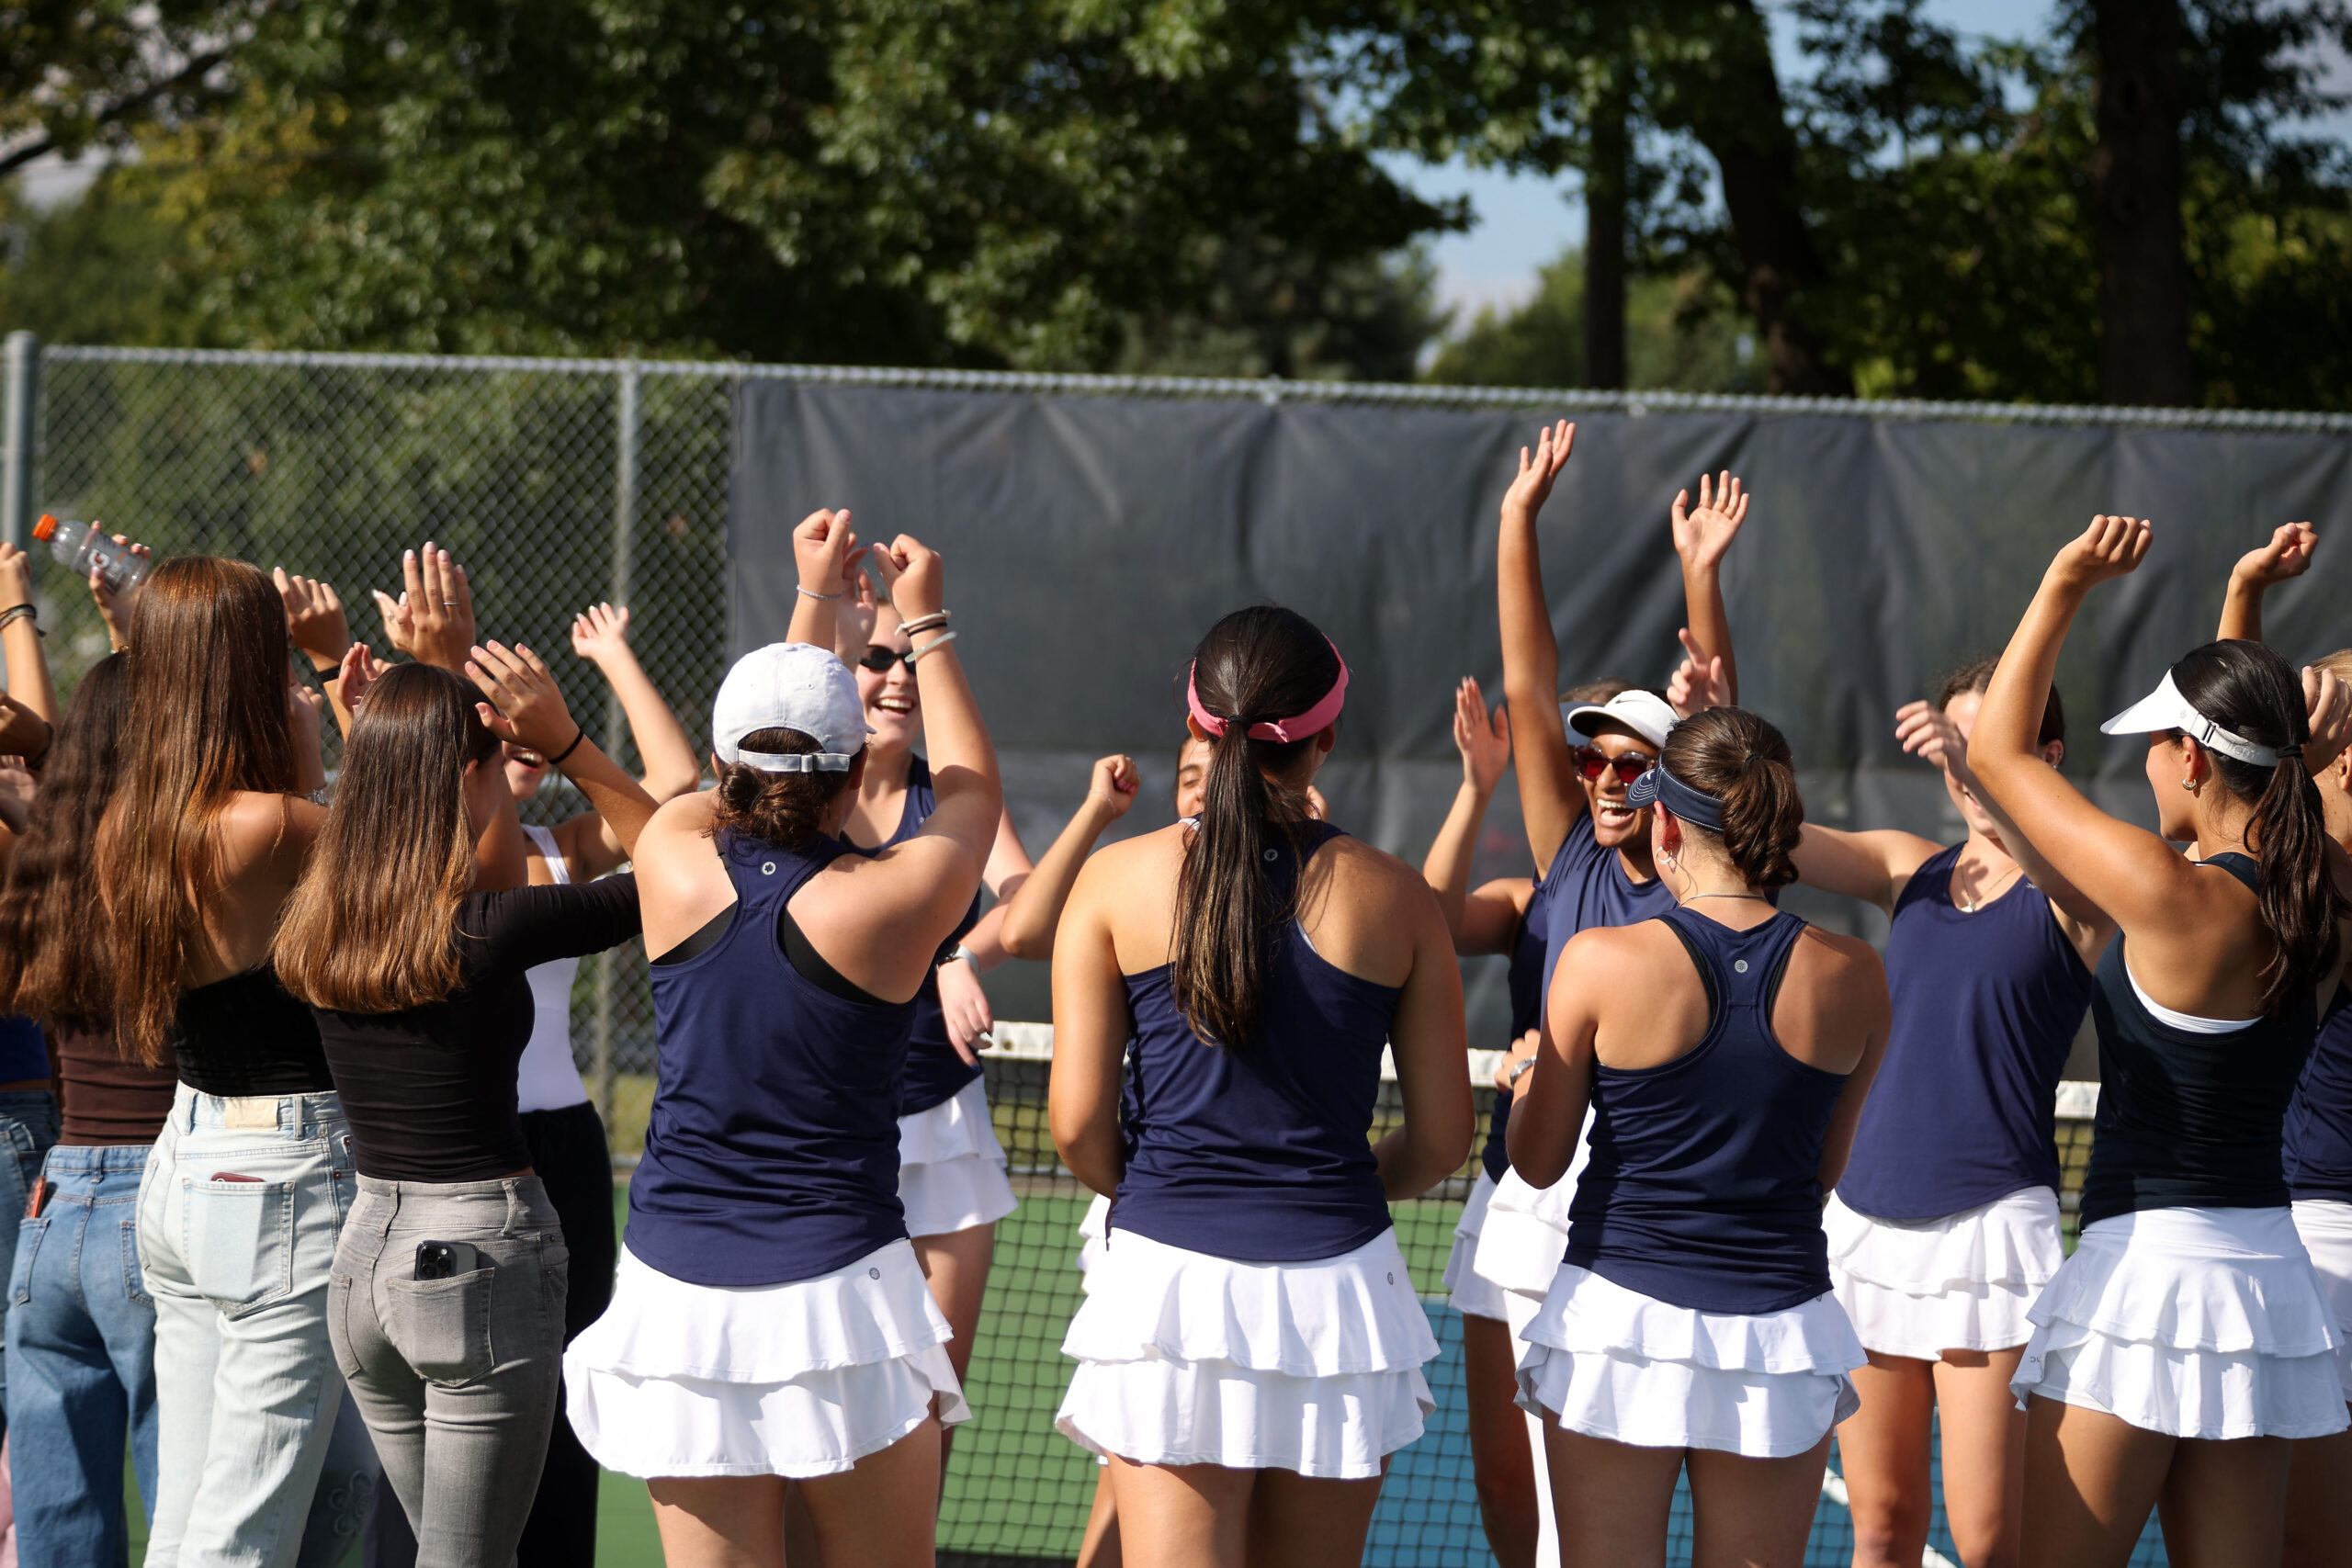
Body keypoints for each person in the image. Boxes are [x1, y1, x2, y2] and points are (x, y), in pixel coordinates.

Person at [564, 513, 1000, 1568]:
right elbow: (973, 795)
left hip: (676, 1294)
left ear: (723, 765)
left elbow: (745, 766)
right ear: (854, 781)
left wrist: (813, 600)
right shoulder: (891, 902)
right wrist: (927, 623)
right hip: (841, 1294)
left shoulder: (672, 853)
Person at [1048, 604, 1473, 1568]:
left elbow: (1075, 1126)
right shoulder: (1396, 896)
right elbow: (1445, 1140)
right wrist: (1335, 1183)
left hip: (1166, 1283)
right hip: (1342, 1290)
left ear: (1199, 725)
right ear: (1325, 738)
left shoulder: (1113, 882)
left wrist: (1163, 1188)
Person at [1967, 515, 2352, 1567]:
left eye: (2153, 742)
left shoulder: (2168, 891)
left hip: (2144, 1282)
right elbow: (2270, 775)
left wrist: (2062, 580)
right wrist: (2257, 649)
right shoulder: (2328, 900)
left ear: (2188, 757)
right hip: (2265, 1291)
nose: (2144, 762)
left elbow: (1995, 752)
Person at [95, 547, 469, 1567]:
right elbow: (430, 869)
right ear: (240, 671)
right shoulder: (266, 823)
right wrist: (341, 735)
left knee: (201, 1515)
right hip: (277, 1180)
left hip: (194, 1164)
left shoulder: (133, 820)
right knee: (240, 1536)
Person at [274, 645, 655, 1568]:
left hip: (362, 1266)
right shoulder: (491, 930)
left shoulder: (314, 925)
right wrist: (568, 745)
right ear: (473, 779)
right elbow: (681, 866)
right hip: (477, 1260)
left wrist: (377, 730)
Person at [1508, 705, 1891, 1568]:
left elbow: (1536, 1163)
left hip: (1616, 1323)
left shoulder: (1597, 962)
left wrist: (1531, 1079)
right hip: (1778, 1335)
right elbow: (1823, 1171)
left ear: (1667, 826)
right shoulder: (1858, 975)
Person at [362, 601, 699, 1568]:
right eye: (489, 728)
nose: (511, 737)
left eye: (520, 726)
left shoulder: (564, 846)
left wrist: (612, 661)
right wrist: (436, 675)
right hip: (448, 1163)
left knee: (563, 1394)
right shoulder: (404, 867)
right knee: (437, 1424)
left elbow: (675, 793)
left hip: (558, 1149)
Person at [1760, 661, 2109, 1568]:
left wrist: (1987, 770)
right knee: (1880, 1528)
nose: (1963, 761)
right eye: (1955, 742)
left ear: (2047, 755)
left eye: (1992, 741)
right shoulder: (1906, 866)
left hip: (1993, 1234)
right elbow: (1766, 832)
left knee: (1988, 1541)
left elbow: (2064, 866)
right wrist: (1709, 708)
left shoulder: (2077, 888)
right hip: (1866, 1228)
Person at [832, 558, 1035, 1444]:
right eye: (876, 657)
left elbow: (1024, 899)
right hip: (826, 1133)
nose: (898, 678)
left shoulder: (948, 795)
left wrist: (959, 953)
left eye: (912, 659)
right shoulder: (800, 799)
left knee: (928, 1416)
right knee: (822, 1418)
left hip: (945, 1127)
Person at [0, 655, 177, 1565]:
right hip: (158, 1194)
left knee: (59, 1531)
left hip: (59, 1198)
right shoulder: (181, 870)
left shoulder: (46, 873)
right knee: (191, 1516)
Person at [2209, 522, 2352, 1568]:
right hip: (2319, 1233)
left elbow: (2237, 748)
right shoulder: (2307, 883)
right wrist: (2243, 594)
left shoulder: (2313, 884)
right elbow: (2234, 738)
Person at [1419, 676, 1544, 1568]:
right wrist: (1476, 785)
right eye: (1581, 762)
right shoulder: (1532, 902)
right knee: (1503, 1480)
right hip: (1511, 1200)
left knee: (1588, 1480)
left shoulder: (1681, 904)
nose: (1602, 780)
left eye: (1624, 762)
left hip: (1622, 1216)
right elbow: (1428, 920)